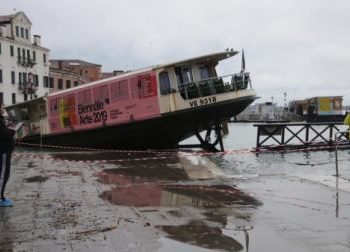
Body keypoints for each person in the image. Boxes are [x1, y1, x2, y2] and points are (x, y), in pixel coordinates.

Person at [0, 104, 15, 207]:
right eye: (1, 107)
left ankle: (2, 196)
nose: (3, 108)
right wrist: (12, 131)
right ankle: (1, 198)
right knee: (3, 174)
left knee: (4, 174)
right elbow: (3, 134)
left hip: (5, 150)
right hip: (3, 150)